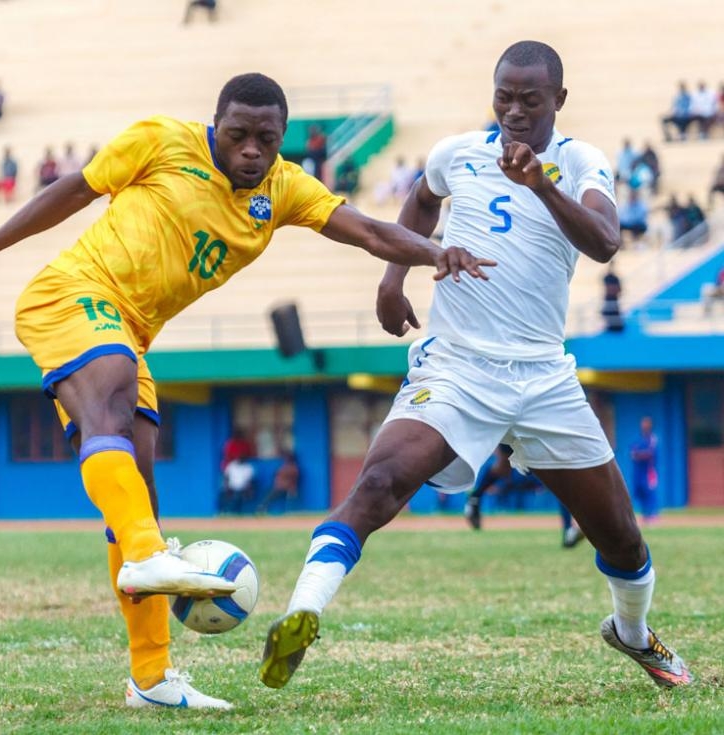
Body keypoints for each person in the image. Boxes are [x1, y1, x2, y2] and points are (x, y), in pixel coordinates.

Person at [0, 72, 488, 711]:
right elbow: (74, 189)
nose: (250, 149)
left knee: (139, 487)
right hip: (72, 295)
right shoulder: (161, 141)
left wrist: (438, 253)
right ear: (216, 127)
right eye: (237, 135)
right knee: (111, 406)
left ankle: (152, 679)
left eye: (265, 139)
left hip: (130, 330)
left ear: (280, 140)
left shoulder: (286, 189)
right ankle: (146, 555)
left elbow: (371, 230)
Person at [261, 42, 691, 694]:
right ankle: (301, 614)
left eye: (531, 100)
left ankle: (632, 634)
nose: (515, 111)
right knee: (381, 479)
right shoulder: (456, 152)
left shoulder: (579, 161)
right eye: (504, 97)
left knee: (623, 540)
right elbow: (421, 204)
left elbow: (605, 243)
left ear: (559, 101)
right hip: (458, 366)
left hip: (544, 376)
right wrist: (392, 278)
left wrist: (540, 183)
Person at [630, 417, 659, 524]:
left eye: (646, 424)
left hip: (648, 471)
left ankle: (653, 515)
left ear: (650, 425)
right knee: (640, 492)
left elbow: (650, 453)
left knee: (649, 492)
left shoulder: (652, 438)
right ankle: (645, 515)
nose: (644, 426)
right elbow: (632, 453)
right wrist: (639, 454)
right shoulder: (638, 439)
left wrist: (639, 454)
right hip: (638, 472)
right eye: (643, 423)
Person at [601, 261, 624, 332]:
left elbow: (620, 289)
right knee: (608, 314)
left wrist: (613, 290)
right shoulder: (606, 277)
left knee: (614, 314)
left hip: (614, 299)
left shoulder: (616, 278)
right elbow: (608, 288)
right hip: (608, 299)